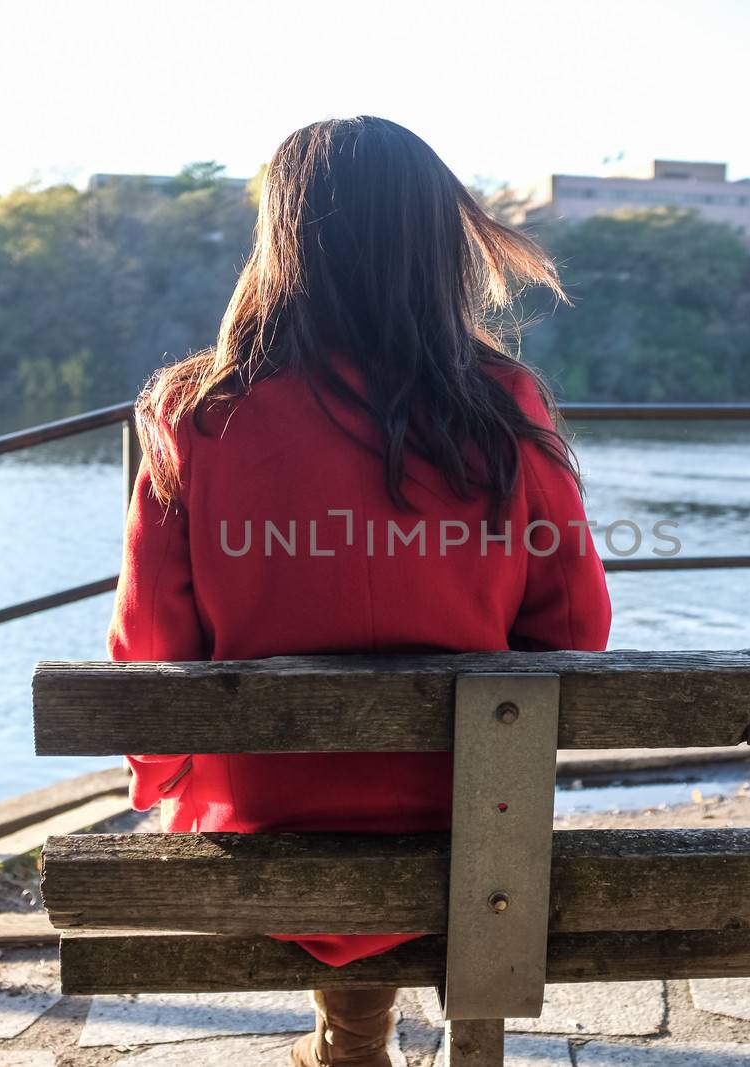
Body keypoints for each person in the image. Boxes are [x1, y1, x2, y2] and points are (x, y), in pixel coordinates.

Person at [108, 116, 611, 1067]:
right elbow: (578, 628)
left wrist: (161, 774)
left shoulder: (196, 415)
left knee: (264, 786)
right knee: (467, 778)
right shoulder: (503, 406)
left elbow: (149, 653)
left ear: (281, 244)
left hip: (269, 821)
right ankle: (367, 1033)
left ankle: (350, 1037)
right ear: (440, 248)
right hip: (471, 822)